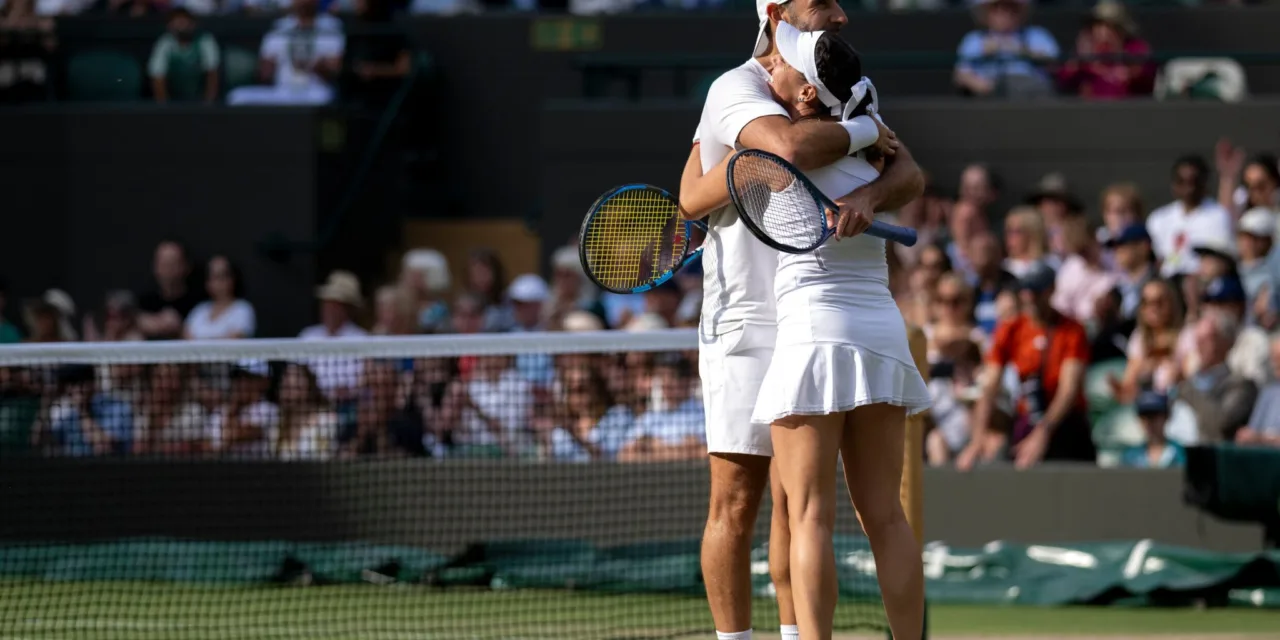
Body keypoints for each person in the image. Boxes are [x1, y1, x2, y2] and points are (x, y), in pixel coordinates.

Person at [674, 0, 926, 638]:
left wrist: (868, 194)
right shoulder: (740, 87)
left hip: (811, 324)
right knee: (741, 503)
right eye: (824, 2)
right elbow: (773, 152)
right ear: (779, 13)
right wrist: (867, 135)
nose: (840, 15)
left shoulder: (836, 84)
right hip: (751, 320)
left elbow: (910, 173)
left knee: (800, 509)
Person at [960, 262, 1095, 471]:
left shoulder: (1071, 331)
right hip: (1028, 416)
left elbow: (1068, 389)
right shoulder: (1011, 329)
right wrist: (977, 439)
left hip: (1064, 422)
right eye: (1026, 290)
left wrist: (1043, 432)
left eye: (1037, 290)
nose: (1030, 296)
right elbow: (990, 385)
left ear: (1050, 291)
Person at [1146, 155, 1233, 280]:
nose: (1188, 189)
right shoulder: (1158, 218)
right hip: (1167, 282)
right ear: (1173, 185)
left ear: (1204, 183)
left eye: (1194, 182)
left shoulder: (1218, 215)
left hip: (1201, 283)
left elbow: (1219, 262)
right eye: (1182, 182)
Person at [953, 0, 1059, 99]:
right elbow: (961, 75)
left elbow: (1055, 65)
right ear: (986, 13)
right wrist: (986, 87)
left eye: (1010, 10)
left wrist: (1021, 50)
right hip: (991, 97)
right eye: (997, 10)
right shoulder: (974, 40)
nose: (1005, 15)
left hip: (1033, 95)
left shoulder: (1036, 35)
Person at [148, 8, 220, 104]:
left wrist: (208, 104)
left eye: (185, 22)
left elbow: (212, 73)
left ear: (193, 24)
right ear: (170, 26)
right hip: (173, 99)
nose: (182, 26)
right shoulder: (165, 43)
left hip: (200, 98)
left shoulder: (204, 40)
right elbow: (157, 77)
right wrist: (164, 107)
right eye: (178, 22)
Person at [184, 255, 256, 340]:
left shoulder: (243, 309)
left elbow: (236, 339)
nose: (219, 283)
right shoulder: (199, 310)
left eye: (223, 276)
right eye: (213, 277)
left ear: (233, 279)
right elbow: (186, 337)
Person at [1119, 390, 1185, 469]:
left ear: (1166, 416)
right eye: (1144, 416)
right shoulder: (1130, 457)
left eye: (1154, 416)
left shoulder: (1182, 454)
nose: (1149, 422)